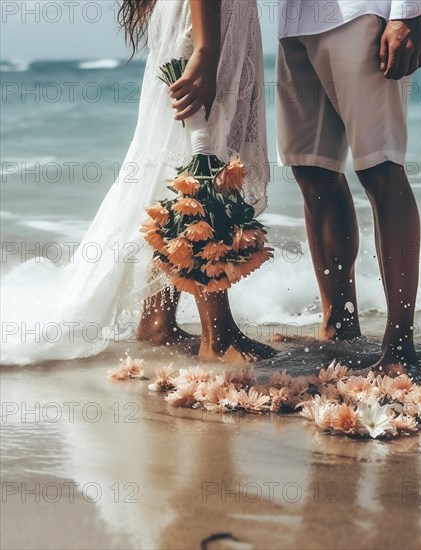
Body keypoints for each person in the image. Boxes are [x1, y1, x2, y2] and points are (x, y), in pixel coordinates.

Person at [0, 0, 273, 365]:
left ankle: (158, 321)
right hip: (208, 19)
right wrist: (207, 48)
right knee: (206, 160)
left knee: (185, 157)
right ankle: (218, 335)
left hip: (208, 17)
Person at [276, 0, 421, 375]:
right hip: (295, 20)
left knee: (380, 166)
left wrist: (408, 12)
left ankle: (400, 347)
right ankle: (339, 326)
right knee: (311, 169)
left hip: (364, 13)